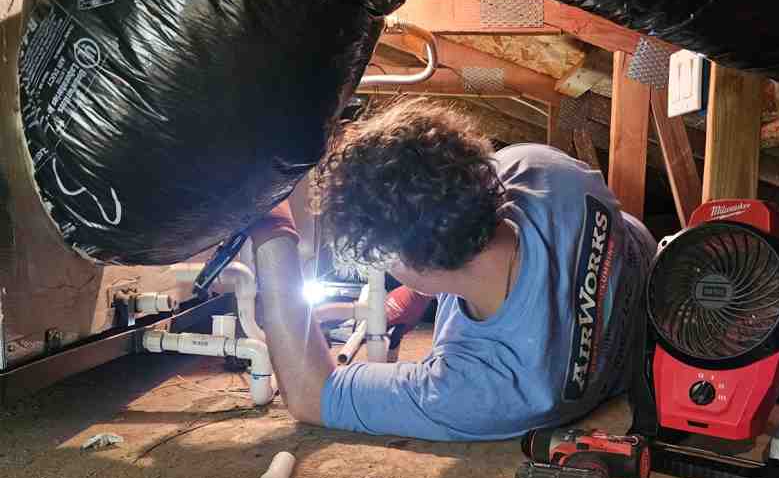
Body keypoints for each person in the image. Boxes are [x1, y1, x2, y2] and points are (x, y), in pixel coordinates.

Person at [250, 99, 656, 441]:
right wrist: (412, 297)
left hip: (638, 361)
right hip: (660, 277)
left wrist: (272, 228)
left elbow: (312, 395)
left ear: (415, 266)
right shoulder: (542, 169)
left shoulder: (486, 386)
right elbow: (450, 210)